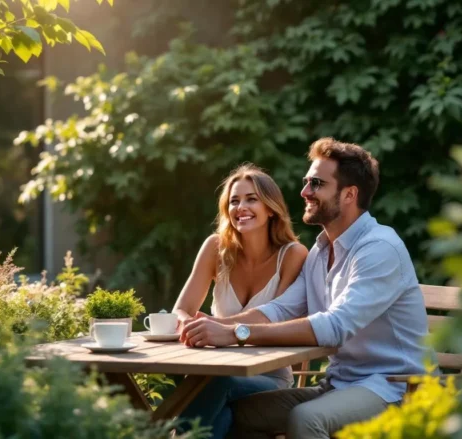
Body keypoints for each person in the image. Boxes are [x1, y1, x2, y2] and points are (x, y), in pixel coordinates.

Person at [180, 138, 432, 439]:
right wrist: (214, 325)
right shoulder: (320, 252)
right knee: (239, 412)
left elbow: (336, 326)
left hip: (395, 387)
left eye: (316, 183)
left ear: (349, 194)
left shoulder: (378, 248)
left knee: (305, 419)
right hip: (338, 385)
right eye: (306, 182)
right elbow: (281, 309)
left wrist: (237, 333)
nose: (304, 192)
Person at [171, 163, 309, 439]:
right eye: (234, 201)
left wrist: (217, 327)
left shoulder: (293, 255)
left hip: (269, 378)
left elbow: (275, 318)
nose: (240, 207)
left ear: (271, 208)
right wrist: (189, 325)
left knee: (211, 385)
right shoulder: (215, 248)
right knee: (221, 412)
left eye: (251, 199)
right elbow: (182, 309)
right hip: (214, 371)